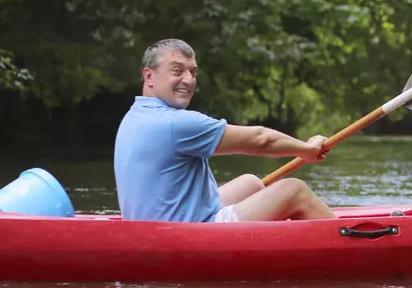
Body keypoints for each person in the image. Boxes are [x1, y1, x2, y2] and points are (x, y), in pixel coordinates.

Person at [114, 38, 337, 223]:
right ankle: (345, 240)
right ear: (149, 76)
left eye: (193, 72)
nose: (189, 80)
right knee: (294, 190)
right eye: (177, 71)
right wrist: (306, 149)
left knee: (251, 182)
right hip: (187, 234)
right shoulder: (175, 123)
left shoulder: (135, 115)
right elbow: (260, 140)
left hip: (153, 224)